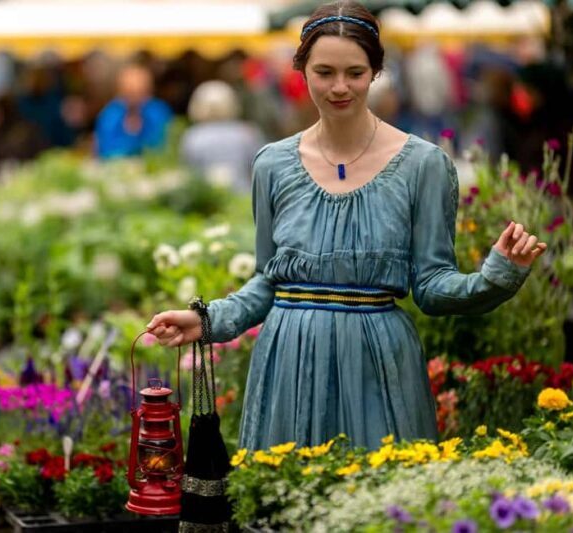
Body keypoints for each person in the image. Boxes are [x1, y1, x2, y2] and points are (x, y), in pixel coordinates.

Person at [147, 1, 547, 451]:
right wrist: (207, 319)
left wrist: (498, 274)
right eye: (324, 72)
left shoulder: (425, 165)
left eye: (355, 73)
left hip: (378, 362)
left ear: (376, 71)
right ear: (302, 71)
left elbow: (433, 288)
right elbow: (266, 282)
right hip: (288, 364)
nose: (340, 87)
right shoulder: (271, 164)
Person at [180, 80, 265, 193]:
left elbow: (189, 173)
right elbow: (260, 170)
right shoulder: (247, 133)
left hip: (207, 199)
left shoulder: (192, 136)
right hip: (243, 197)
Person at [93, 63, 173, 159]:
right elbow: (104, 150)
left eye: (140, 93)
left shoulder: (158, 111)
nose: (135, 100)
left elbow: (164, 145)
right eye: (130, 93)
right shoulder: (111, 114)